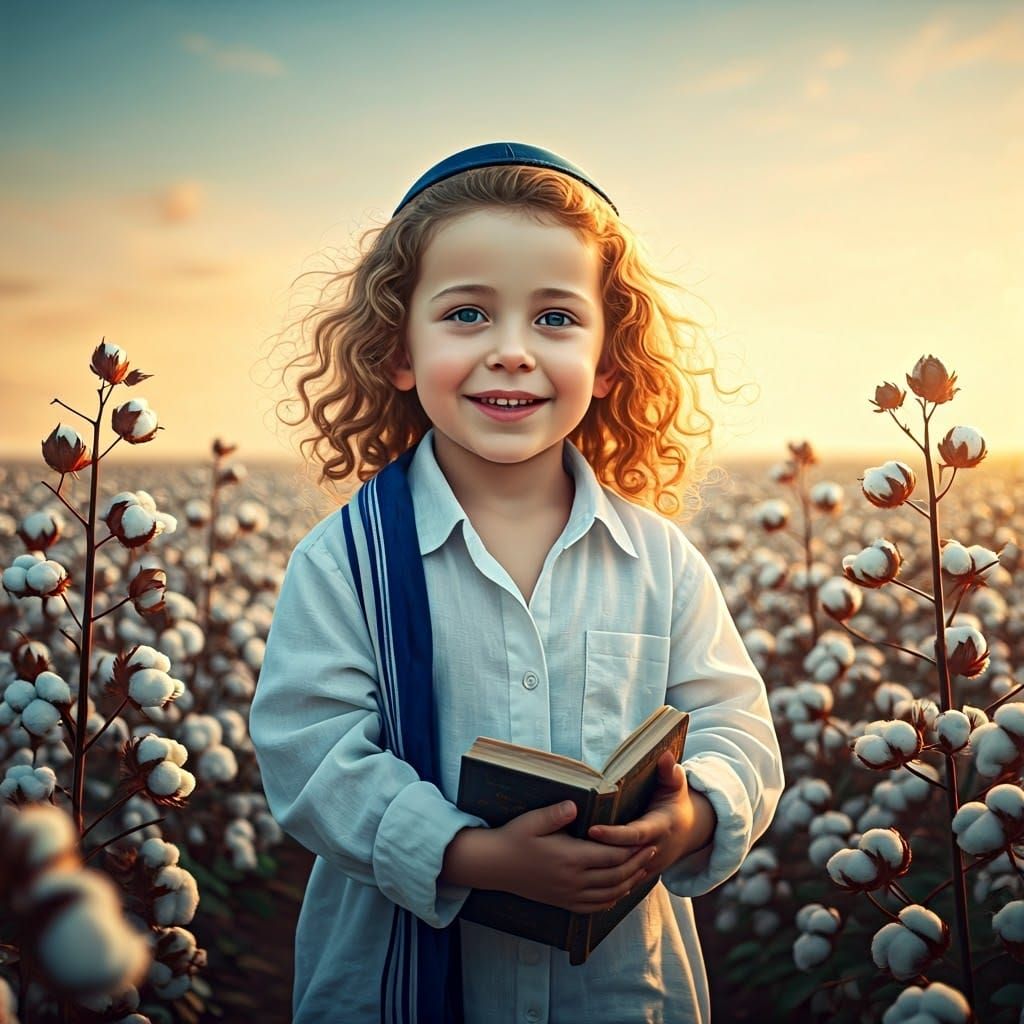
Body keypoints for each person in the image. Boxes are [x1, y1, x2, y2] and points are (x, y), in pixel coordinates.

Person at [249, 141, 785, 1024]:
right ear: (397, 351)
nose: (511, 351)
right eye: (466, 315)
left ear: (611, 362)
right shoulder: (344, 558)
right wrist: (470, 856)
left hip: (618, 992)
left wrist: (686, 823)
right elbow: (311, 753)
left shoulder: (661, 561)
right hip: (392, 989)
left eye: (556, 319)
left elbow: (738, 728)